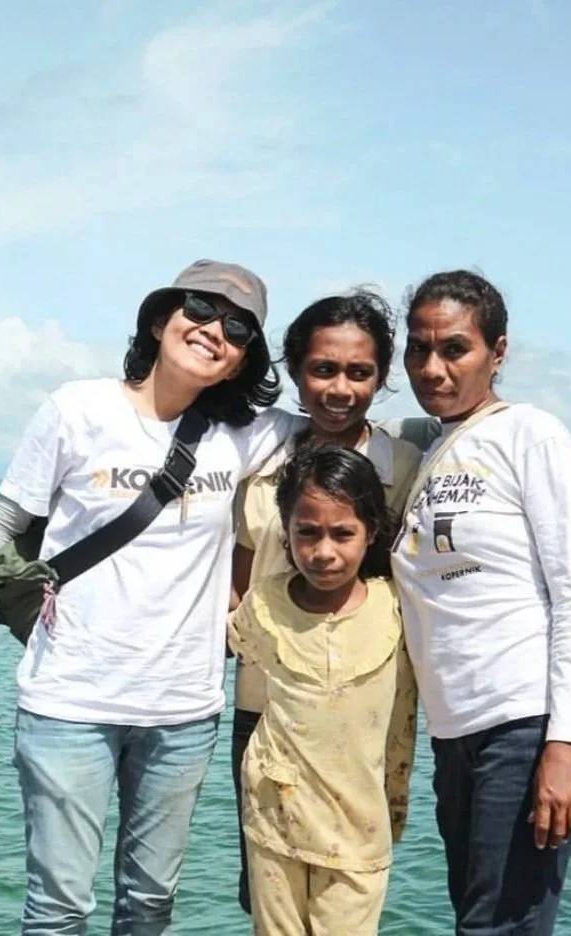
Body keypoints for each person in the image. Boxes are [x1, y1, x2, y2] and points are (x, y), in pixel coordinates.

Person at [0, 260, 299, 936]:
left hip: (183, 713)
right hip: (69, 703)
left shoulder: (246, 434)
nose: (214, 329)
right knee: (59, 908)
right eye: (199, 308)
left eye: (238, 327)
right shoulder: (78, 409)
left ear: (243, 359)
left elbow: (348, 427)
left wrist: (446, 429)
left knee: (150, 904)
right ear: (160, 319)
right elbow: (3, 526)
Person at [391, 270, 571, 936]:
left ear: (498, 351)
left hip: (529, 721)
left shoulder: (530, 435)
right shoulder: (429, 448)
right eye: (419, 349)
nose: (433, 367)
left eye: (455, 348)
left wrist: (566, 743)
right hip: (457, 733)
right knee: (481, 919)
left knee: (496, 928)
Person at [227, 290, 423, 913]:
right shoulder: (260, 457)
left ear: (382, 377)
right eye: (323, 369)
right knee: (267, 888)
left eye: (359, 373)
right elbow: (240, 563)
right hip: (264, 698)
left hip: (357, 712)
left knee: (347, 888)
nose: (340, 389)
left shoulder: (406, 467)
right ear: (295, 371)